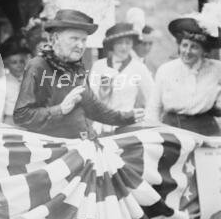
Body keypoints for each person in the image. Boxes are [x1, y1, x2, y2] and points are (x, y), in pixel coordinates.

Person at [13, 9, 144, 139]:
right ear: (56, 38)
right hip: (54, 151)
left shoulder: (78, 68)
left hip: (83, 146)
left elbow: (94, 108)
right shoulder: (37, 66)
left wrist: (127, 117)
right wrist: (60, 109)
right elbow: (21, 116)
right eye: (74, 39)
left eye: (84, 40)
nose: (80, 45)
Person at [146, 13, 221, 136]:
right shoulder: (166, 70)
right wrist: (151, 134)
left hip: (206, 131)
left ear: (204, 51)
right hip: (172, 130)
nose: (187, 51)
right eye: (184, 45)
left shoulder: (216, 69)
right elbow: (154, 107)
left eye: (194, 47)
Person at [89, 22, 154, 135]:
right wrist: (103, 90)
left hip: (126, 127)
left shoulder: (138, 67)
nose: (124, 47)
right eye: (119, 43)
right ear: (112, 45)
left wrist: (145, 121)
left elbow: (152, 97)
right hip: (100, 127)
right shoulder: (99, 66)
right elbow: (91, 98)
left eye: (128, 43)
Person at [0, 38, 30, 125]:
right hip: (11, 124)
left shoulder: (30, 82)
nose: (19, 66)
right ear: (6, 64)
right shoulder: (0, 86)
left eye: (21, 61)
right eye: (14, 62)